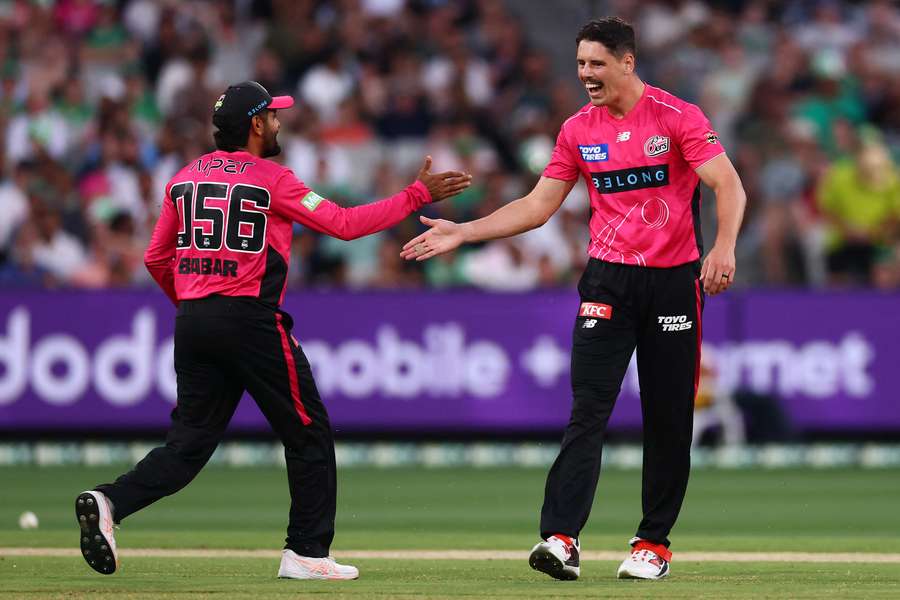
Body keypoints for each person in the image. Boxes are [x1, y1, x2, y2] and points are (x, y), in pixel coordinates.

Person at [75, 81, 471, 580]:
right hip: (250, 322)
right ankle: (305, 552)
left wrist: (197, 303)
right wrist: (416, 195)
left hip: (193, 321)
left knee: (188, 445)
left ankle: (109, 502)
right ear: (257, 124)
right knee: (309, 432)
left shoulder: (183, 178)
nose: (281, 123)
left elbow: (157, 257)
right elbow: (344, 225)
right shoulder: (273, 179)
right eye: (274, 116)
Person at [402, 18, 746, 580]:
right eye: (581, 63)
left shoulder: (677, 116)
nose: (585, 73)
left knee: (667, 418)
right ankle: (561, 539)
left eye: (596, 63)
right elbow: (538, 206)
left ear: (627, 63)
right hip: (607, 284)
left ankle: (652, 545)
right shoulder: (577, 130)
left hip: (672, 284)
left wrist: (724, 248)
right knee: (587, 411)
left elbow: (728, 184)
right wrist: (465, 232)